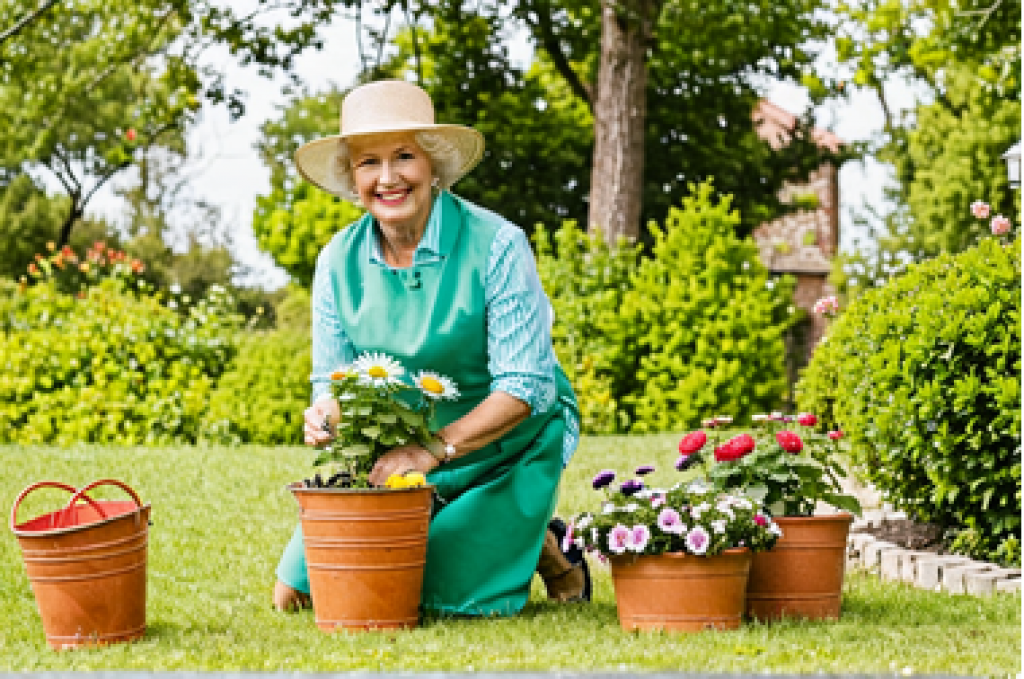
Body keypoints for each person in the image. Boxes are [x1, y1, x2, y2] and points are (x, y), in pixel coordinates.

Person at [272, 80, 589, 617]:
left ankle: (550, 549)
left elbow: (526, 388)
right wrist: (327, 413)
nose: (388, 177)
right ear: (354, 178)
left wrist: (432, 450)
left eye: (404, 157)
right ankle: (524, 534)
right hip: (402, 458)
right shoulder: (336, 261)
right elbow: (332, 380)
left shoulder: (498, 244)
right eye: (370, 162)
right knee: (299, 594)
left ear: (434, 165)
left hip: (504, 443)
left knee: (429, 594)